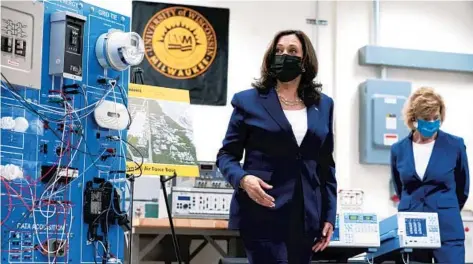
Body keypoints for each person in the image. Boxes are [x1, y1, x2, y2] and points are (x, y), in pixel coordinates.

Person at [216, 30, 337, 264]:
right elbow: (226, 155)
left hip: (306, 215)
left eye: (293, 51)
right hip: (263, 209)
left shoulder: (323, 105)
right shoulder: (248, 101)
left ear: (305, 60)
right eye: (279, 51)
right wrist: (243, 180)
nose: (284, 55)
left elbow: (326, 165)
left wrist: (329, 215)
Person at [390, 87, 470, 264]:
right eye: (426, 119)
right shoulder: (398, 149)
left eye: (436, 118)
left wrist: (444, 206)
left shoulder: (455, 145)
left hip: (447, 229)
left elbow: (462, 188)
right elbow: (401, 187)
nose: (432, 122)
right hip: (413, 228)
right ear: (414, 119)